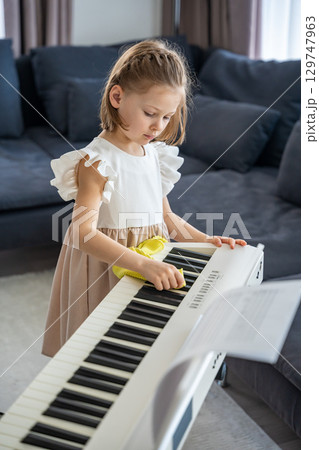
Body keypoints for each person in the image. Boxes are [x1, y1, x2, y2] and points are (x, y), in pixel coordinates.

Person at [42, 40, 246, 357]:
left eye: (167, 117)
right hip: (107, 269)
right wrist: (141, 264)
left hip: (148, 262)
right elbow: (82, 233)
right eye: (150, 113)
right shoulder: (96, 162)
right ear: (117, 96)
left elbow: (165, 217)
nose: (158, 127)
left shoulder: (154, 154)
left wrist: (206, 241)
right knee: (101, 351)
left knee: (140, 345)